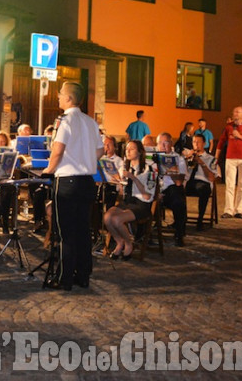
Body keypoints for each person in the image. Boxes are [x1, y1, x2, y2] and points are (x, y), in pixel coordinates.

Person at [42, 82, 103, 290]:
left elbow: (58, 150)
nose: (58, 97)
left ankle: (63, 278)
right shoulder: (90, 121)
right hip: (87, 180)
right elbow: (100, 151)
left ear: (69, 99)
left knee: (65, 232)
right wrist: (84, 159)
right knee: (83, 231)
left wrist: (48, 170)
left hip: (67, 181)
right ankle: (83, 275)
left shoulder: (64, 121)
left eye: (60, 94)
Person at [102, 140, 156, 261]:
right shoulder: (124, 167)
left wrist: (134, 178)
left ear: (140, 152)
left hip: (141, 204)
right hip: (127, 201)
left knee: (116, 220)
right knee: (107, 217)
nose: (128, 151)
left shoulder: (148, 169)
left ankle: (128, 243)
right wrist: (118, 183)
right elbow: (122, 192)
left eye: (132, 149)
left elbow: (147, 196)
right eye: (127, 149)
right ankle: (119, 241)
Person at [215, 106, 242, 219]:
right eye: (234, 112)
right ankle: (228, 210)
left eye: (237, 112)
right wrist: (216, 157)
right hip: (231, 158)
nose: (235, 114)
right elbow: (221, 141)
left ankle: (239, 210)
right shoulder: (229, 127)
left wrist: (240, 137)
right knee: (229, 185)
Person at [156, 132, 189, 246]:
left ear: (171, 144)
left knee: (178, 197)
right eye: (160, 143)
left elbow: (181, 181)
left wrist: (171, 171)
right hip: (154, 188)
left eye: (166, 143)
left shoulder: (178, 158)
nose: (163, 146)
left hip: (171, 189)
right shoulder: (153, 157)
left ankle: (179, 234)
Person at [185, 135, 219, 230]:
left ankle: (200, 220)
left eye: (198, 142)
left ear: (204, 144)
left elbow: (212, 178)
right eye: (194, 142)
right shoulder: (188, 156)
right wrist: (184, 160)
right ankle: (180, 220)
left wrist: (201, 163)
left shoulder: (211, 159)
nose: (196, 144)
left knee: (204, 189)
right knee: (176, 189)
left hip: (203, 182)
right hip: (188, 182)